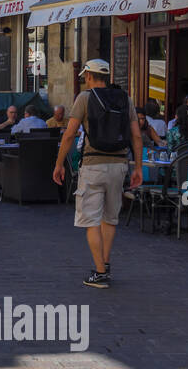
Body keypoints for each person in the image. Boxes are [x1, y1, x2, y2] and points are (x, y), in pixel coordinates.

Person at [52, 58, 143, 289]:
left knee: (91, 219)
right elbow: (137, 136)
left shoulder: (85, 98)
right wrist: (138, 167)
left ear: (90, 76)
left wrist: (59, 163)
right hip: (119, 163)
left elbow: (70, 134)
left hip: (93, 164)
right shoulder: (125, 99)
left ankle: (100, 272)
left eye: (85, 77)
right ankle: (105, 262)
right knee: (110, 218)